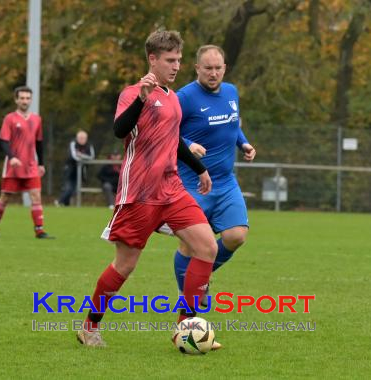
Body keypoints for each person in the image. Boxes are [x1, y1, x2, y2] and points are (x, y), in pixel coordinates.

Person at [77, 30, 218, 348]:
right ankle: (89, 326)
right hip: (139, 194)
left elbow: (174, 140)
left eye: (179, 60)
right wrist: (141, 98)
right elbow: (119, 130)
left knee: (207, 247)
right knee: (124, 266)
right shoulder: (133, 93)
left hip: (172, 190)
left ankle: (185, 328)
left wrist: (200, 169)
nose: (176, 66)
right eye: (170, 60)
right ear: (152, 59)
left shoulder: (172, 98)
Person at [172, 45, 256, 306]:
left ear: (225, 68)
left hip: (226, 181)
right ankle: (189, 298)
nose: (213, 73)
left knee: (236, 236)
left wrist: (243, 143)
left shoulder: (231, 92)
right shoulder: (184, 97)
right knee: (191, 246)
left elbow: (232, 122)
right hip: (192, 183)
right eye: (207, 68)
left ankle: (198, 279)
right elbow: (164, 131)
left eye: (218, 68)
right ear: (197, 68)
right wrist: (188, 143)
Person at [0, 86, 53, 239]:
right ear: (16, 100)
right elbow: (3, 141)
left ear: (31, 100)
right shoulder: (10, 118)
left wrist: (41, 164)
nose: (25, 101)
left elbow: (39, 143)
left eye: (27, 98)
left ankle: (39, 230)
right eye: (22, 98)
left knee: (36, 195)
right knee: (5, 197)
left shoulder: (37, 119)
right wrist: (12, 157)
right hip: (13, 167)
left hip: (31, 166)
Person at [57, 129, 95, 206]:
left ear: (86, 138)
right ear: (77, 138)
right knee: (68, 188)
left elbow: (92, 157)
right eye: (80, 138)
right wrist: (82, 157)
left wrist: (80, 155)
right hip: (70, 170)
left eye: (83, 138)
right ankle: (60, 202)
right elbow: (73, 156)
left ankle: (64, 204)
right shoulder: (73, 143)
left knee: (74, 190)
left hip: (81, 171)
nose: (82, 140)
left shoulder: (89, 145)